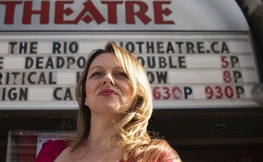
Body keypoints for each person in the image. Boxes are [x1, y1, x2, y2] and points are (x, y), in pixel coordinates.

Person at [35, 41, 181, 162]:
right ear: (85, 97)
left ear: (138, 94)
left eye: (121, 74)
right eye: (97, 73)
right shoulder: (50, 151)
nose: (107, 79)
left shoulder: (156, 157)